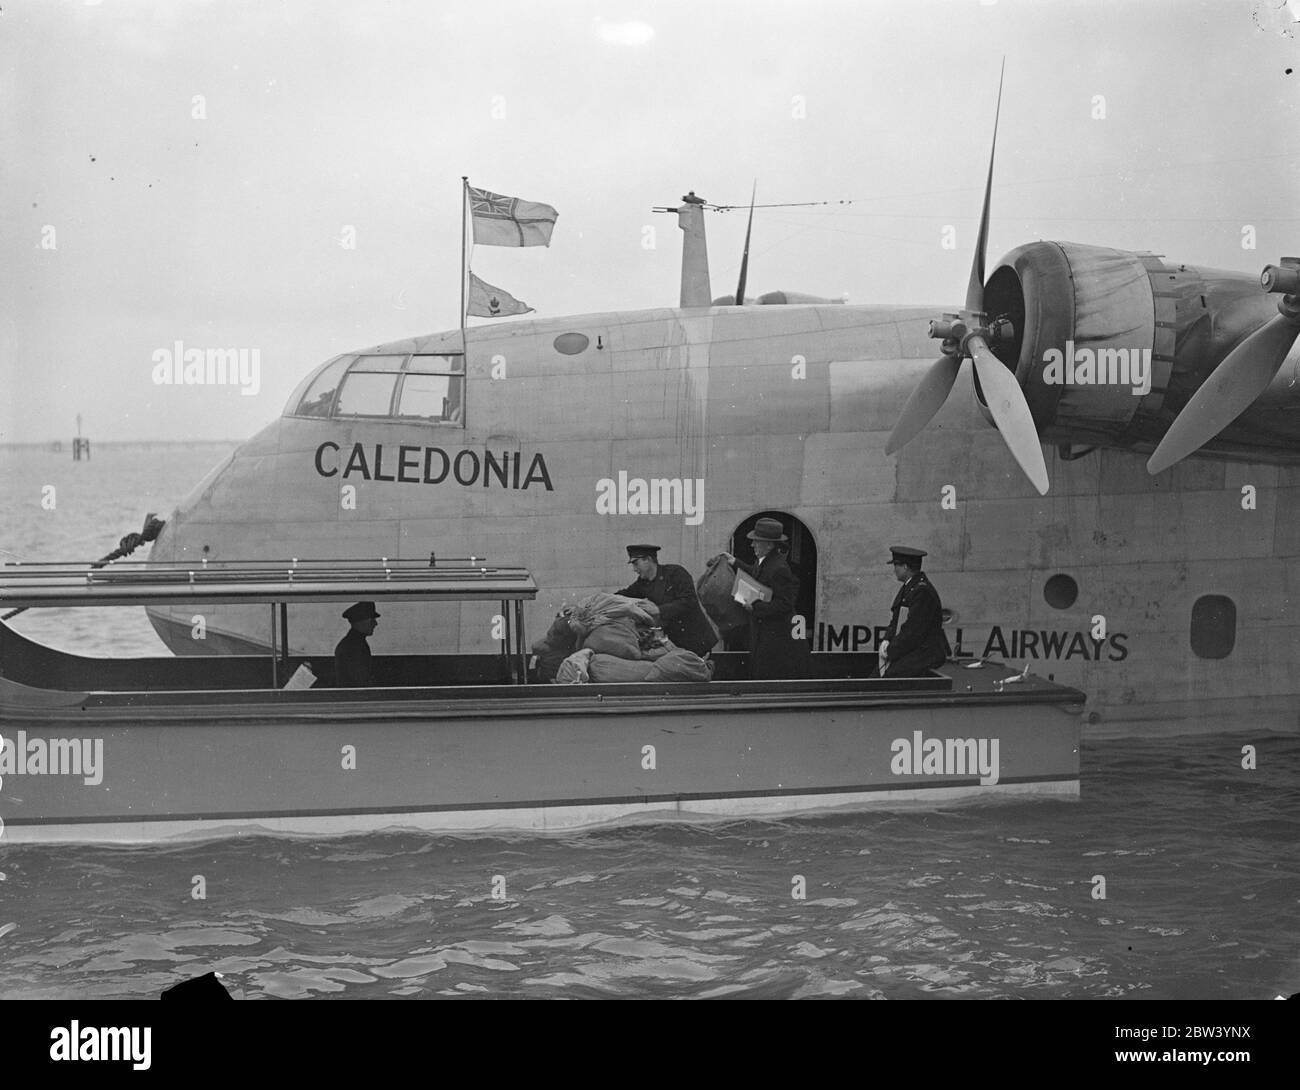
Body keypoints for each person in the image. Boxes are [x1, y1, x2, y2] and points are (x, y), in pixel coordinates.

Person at [716, 518, 810, 680]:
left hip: (776, 638)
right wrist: (735, 562)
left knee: (768, 673)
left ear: (769, 544)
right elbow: (757, 572)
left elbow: (785, 604)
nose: (752, 545)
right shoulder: (769, 561)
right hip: (768, 632)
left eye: (756, 542)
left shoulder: (779, 568)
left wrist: (755, 607)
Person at [614, 545, 718, 657]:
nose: (634, 569)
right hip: (676, 644)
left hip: (696, 640)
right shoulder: (642, 583)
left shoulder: (675, 573)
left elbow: (689, 601)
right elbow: (625, 594)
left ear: (648, 560)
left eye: (636, 563)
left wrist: (659, 610)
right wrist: (601, 599)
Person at [878, 546, 950, 678]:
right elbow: (896, 621)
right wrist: (886, 640)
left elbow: (912, 631)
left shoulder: (922, 592)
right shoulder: (910, 587)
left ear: (905, 566)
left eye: (896, 565)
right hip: (909, 649)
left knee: (889, 677)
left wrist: (890, 650)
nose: (894, 570)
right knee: (875, 677)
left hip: (924, 653)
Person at [335, 601, 380, 687]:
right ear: (361, 621)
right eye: (372, 620)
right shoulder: (353, 646)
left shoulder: (354, 643)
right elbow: (361, 682)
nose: (375, 623)